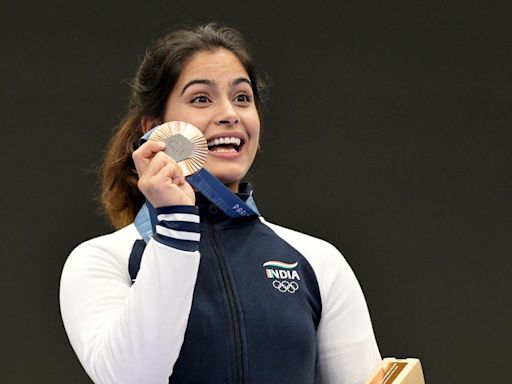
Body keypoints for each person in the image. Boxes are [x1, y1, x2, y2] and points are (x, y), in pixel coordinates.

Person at [60, 23, 381, 384]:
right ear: (155, 127)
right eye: (201, 98)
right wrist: (176, 224)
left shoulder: (319, 262)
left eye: (242, 98)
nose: (230, 113)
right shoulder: (102, 261)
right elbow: (134, 377)